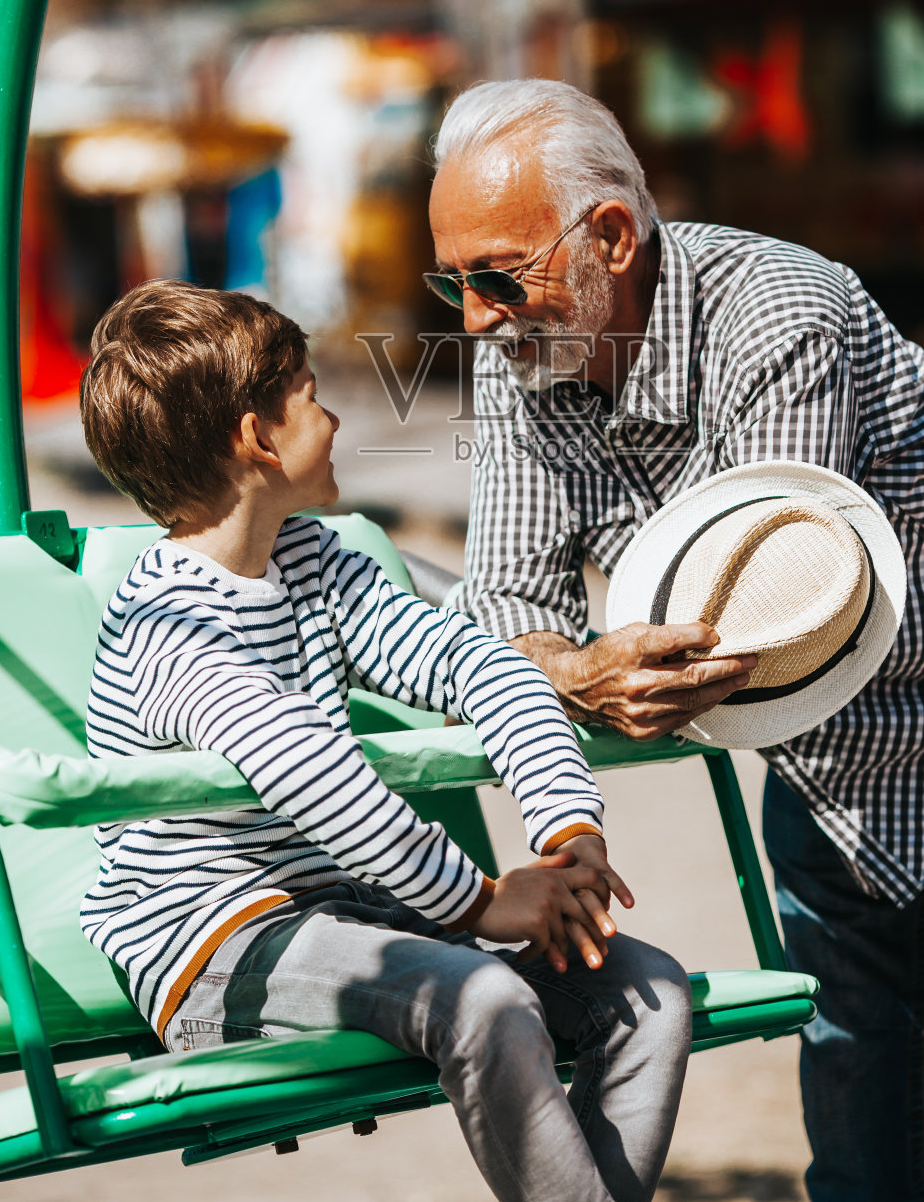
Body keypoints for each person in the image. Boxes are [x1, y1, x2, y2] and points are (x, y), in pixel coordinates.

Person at [426, 77, 924, 1202]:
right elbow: (500, 608)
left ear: (609, 236)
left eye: (497, 276)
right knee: (859, 1147)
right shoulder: (518, 353)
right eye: (453, 281)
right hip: (828, 759)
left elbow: (763, 615)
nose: (474, 316)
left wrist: (586, 661)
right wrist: (573, 666)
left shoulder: (778, 311)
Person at [77, 279, 693, 1202]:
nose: (332, 419)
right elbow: (314, 777)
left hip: (355, 916)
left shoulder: (313, 562)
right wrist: (481, 904)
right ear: (257, 439)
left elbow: (480, 667)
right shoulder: (171, 630)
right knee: (483, 998)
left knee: (648, 990)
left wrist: (569, 829)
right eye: (310, 398)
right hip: (215, 952)